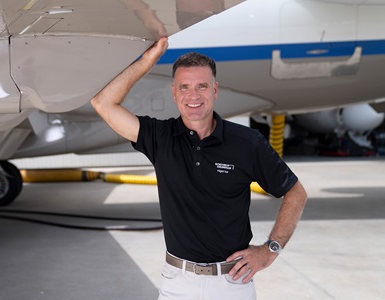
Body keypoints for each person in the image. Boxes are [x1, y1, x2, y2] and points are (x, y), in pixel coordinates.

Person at [91, 37, 307, 299]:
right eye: (184, 87)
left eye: (202, 86)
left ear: (215, 91)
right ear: (174, 93)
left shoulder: (246, 143)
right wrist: (148, 60)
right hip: (178, 283)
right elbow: (103, 103)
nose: (193, 96)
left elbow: (296, 192)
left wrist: (270, 250)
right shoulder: (160, 138)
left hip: (233, 283)